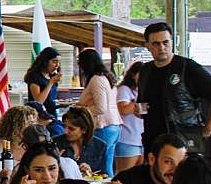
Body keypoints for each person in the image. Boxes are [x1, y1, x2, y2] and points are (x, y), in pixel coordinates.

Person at [138, 22, 211, 156]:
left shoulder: (187, 67)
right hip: (153, 140)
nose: (162, 47)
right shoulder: (145, 71)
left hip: (182, 140)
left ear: (172, 42)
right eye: (156, 44)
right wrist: (139, 110)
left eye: (165, 42)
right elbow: (143, 104)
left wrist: (209, 127)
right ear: (148, 46)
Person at [74, 49, 123, 177]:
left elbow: (101, 108)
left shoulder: (97, 80)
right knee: (107, 165)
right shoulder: (106, 77)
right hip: (112, 126)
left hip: (103, 127)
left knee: (100, 167)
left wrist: (82, 110)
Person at [53, 107, 107, 176]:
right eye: (64, 126)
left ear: (84, 130)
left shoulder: (100, 146)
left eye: (71, 129)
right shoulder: (55, 143)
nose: (65, 131)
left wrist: (90, 173)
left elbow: (104, 175)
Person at [24, 47, 64, 136]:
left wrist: (60, 103)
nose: (57, 65)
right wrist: (50, 83)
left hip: (52, 115)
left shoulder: (52, 76)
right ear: (45, 61)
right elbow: (38, 101)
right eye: (54, 62)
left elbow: (51, 99)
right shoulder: (35, 76)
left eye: (59, 62)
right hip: (40, 118)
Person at [115, 61, 145, 175]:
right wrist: (137, 101)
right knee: (124, 176)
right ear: (133, 75)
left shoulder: (143, 90)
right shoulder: (125, 89)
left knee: (139, 176)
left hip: (141, 139)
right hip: (127, 139)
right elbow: (123, 109)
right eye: (140, 74)